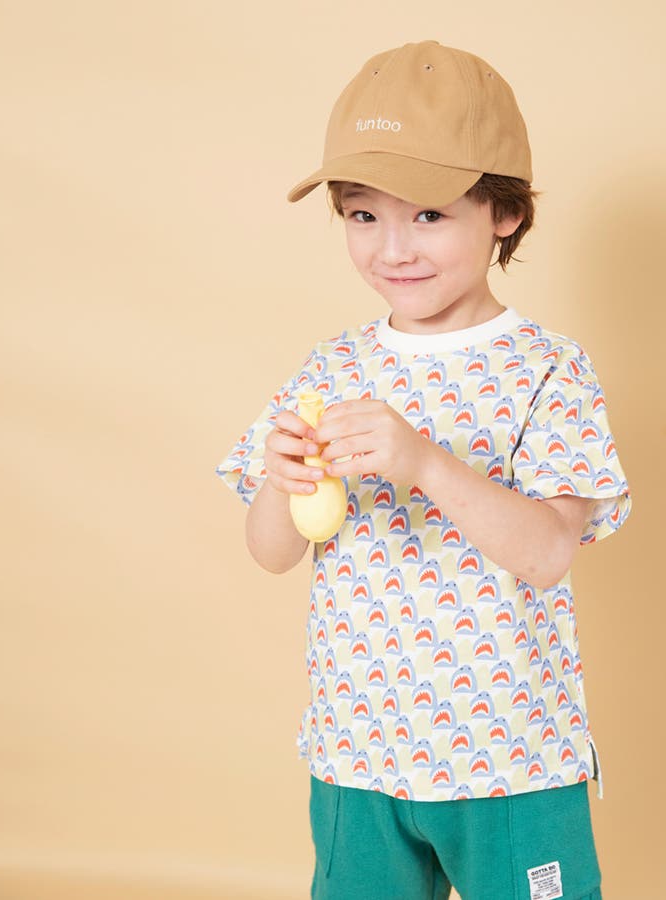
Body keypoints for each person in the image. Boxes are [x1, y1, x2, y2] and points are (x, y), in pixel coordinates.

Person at [216, 40, 631, 900]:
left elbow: (549, 552)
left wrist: (423, 463)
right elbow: (271, 551)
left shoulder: (548, 370)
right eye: (363, 216)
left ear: (504, 212)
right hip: (357, 752)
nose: (392, 248)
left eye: (429, 215)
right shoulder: (332, 367)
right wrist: (282, 480)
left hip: (508, 758)